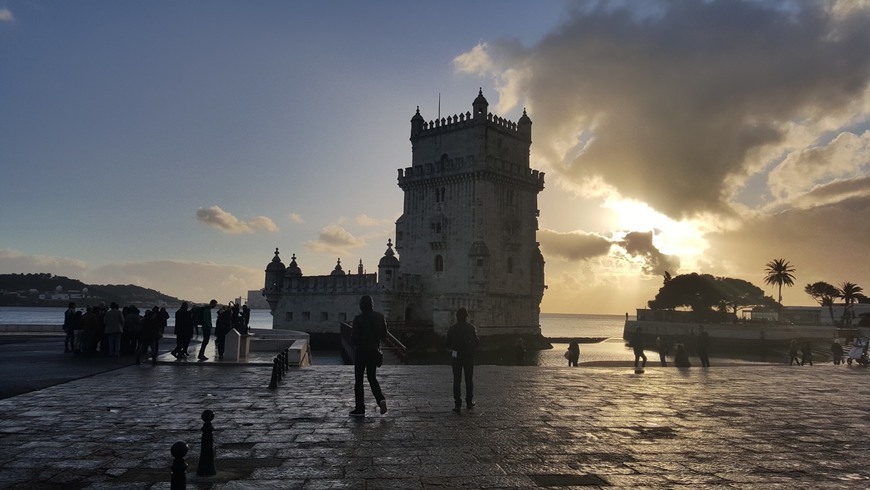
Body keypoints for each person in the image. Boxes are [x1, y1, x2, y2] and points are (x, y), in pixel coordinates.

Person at [349, 295, 388, 417]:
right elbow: (384, 335)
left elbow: (354, 339)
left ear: (361, 306)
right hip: (373, 351)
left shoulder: (358, 319)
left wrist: (357, 342)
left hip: (361, 352)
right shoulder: (380, 317)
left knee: (359, 381)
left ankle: (360, 409)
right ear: (372, 304)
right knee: (372, 378)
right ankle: (381, 400)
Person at [446, 307, 479, 414]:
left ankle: (457, 404)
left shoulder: (452, 329)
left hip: (456, 357)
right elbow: (477, 342)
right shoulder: (471, 328)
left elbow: (447, 343)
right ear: (466, 317)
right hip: (468, 356)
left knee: (457, 380)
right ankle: (469, 402)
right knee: (469, 380)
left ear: (457, 317)